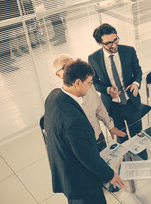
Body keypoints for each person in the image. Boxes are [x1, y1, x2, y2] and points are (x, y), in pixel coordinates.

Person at [44, 59, 124, 204]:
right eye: (89, 83)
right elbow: (87, 157)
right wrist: (110, 174)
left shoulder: (54, 95)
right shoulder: (75, 121)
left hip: (65, 170)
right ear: (77, 83)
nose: (90, 87)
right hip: (80, 181)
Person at [88, 23, 147, 160]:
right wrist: (108, 90)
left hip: (131, 102)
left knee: (137, 133)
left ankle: (143, 159)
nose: (114, 45)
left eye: (116, 40)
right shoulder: (93, 59)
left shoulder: (129, 51)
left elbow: (138, 71)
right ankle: (127, 159)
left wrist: (136, 84)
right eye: (109, 43)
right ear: (99, 43)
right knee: (121, 137)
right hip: (112, 106)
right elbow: (95, 82)